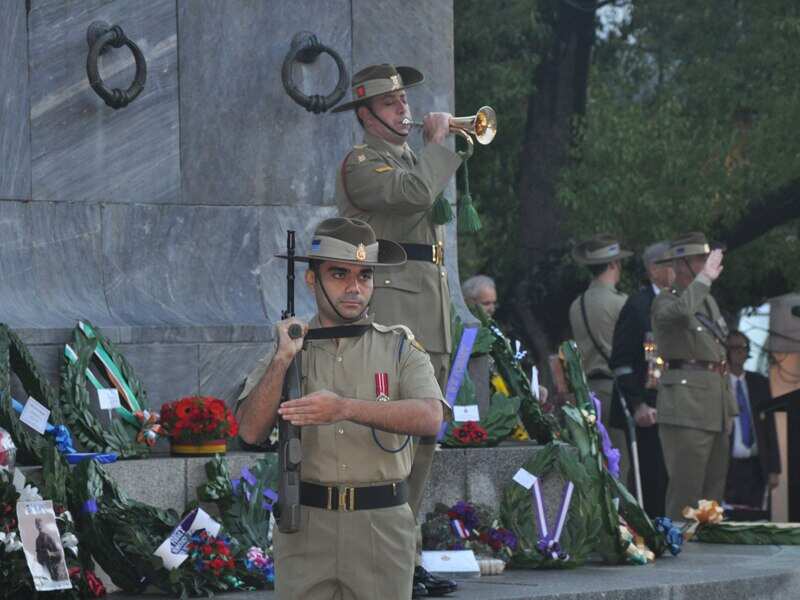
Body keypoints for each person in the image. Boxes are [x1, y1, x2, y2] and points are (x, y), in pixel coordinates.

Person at [236, 217, 449, 600]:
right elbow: (250, 431)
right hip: (306, 526)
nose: (354, 288)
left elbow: (431, 417)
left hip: (380, 527)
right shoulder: (292, 350)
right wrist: (282, 360)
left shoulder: (399, 347)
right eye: (339, 274)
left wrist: (345, 408)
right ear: (311, 280)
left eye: (364, 276)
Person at [332, 63, 461, 597]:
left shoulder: (412, 160)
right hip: (395, 315)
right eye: (390, 103)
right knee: (391, 445)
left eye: (404, 100)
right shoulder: (362, 163)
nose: (403, 109)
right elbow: (413, 194)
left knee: (423, 443)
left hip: (429, 312)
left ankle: (404, 558)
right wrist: (438, 145)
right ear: (366, 114)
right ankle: (386, 562)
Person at [651, 232, 738, 519]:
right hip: (686, 406)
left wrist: (728, 410)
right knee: (685, 494)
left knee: (713, 496)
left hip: (714, 406)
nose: (706, 264)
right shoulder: (665, 300)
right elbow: (680, 312)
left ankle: (707, 545)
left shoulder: (707, 301)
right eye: (700, 259)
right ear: (681, 264)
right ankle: (679, 545)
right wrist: (705, 280)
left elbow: (718, 358)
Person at [609, 241, 674, 517]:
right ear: (653, 269)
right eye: (670, 263)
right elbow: (621, 361)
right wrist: (637, 404)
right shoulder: (638, 305)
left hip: (674, 403)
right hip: (646, 407)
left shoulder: (679, 302)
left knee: (672, 477)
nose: (677, 269)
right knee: (652, 478)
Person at [568, 233, 632, 481]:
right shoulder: (621, 303)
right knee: (619, 461)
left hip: (587, 391)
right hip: (615, 389)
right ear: (614, 264)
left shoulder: (577, 304)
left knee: (595, 461)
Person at [724, 330, 781, 515]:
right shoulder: (719, 383)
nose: (738, 352)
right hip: (728, 465)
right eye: (733, 347)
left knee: (756, 518)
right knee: (728, 517)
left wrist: (774, 468)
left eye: (742, 347)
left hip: (757, 464)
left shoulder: (759, 383)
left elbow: (770, 427)